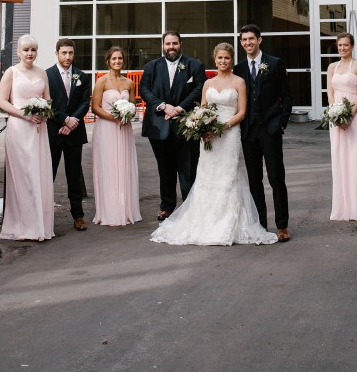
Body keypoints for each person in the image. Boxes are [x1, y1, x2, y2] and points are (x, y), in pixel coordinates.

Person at [151, 43, 277, 245]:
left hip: (229, 135)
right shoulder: (208, 84)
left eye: (227, 58)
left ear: (232, 59)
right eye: (220, 58)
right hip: (208, 137)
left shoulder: (239, 82)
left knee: (227, 176)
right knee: (206, 176)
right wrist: (202, 129)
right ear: (215, 59)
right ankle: (205, 222)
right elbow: (202, 110)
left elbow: (242, 112)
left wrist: (222, 127)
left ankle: (228, 224)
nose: (223, 61)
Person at [233, 24, 293, 242]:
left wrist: (282, 123)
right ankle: (260, 225)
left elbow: (286, 96)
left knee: (276, 178)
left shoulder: (275, 63)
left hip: (270, 129)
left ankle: (282, 225)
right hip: (248, 132)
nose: (248, 43)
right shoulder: (238, 69)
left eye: (251, 39)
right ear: (241, 43)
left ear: (260, 40)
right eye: (244, 40)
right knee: (255, 179)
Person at [140, 30, 206, 220]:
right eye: (168, 44)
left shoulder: (194, 65)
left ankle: (190, 206)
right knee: (165, 169)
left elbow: (200, 88)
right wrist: (163, 106)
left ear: (180, 44)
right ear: (163, 45)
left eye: (174, 43)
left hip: (186, 125)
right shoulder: (152, 66)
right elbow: (144, 89)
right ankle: (167, 206)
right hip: (158, 126)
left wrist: (178, 108)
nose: (171, 47)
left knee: (188, 169)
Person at [0, 35, 54, 241]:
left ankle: (40, 224)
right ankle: (22, 224)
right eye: (26, 50)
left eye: (33, 49)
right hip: (19, 127)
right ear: (18, 52)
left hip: (39, 129)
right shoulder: (11, 72)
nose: (30, 53)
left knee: (38, 173)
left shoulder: (42, 73)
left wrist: (45, 112)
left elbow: (48, 99)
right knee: (22, 174)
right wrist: (25, 114)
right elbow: (2, 102)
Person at [326, 33, 357, 222]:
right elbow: (330, 93)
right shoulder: (332, 67)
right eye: (339, 45)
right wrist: (335, 112)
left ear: (352, 46)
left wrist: (349, 116)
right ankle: (343, 208)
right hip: (337, 115)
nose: (342, 48)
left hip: (353, 114)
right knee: (340, 158)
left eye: (346, 45)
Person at [91, 46, 141, 227]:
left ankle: (125, 208)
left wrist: (128, 114)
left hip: (124, 129)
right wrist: (114, 117)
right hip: (107, 129)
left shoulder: (129, 83)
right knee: (109, 166)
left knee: (123, 166)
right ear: (108, 61)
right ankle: (110, 210)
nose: (117, 62)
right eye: (114, 59)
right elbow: (95, 107)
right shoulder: (101, 82)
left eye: (120, 59)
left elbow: (133, 104)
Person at [46, 38, 91, 232]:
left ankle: (78, 216)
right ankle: (45, 215)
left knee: (74, 175)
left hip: (74, 132)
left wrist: (72, 122)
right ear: (56, 53)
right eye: (64, 53)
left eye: (71, 53)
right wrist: (64, 120)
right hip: (54, 131)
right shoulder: (47, 75)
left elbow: (84, 102)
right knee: (49, 174)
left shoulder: (82, 75)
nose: (68, 57)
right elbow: (48, 103)